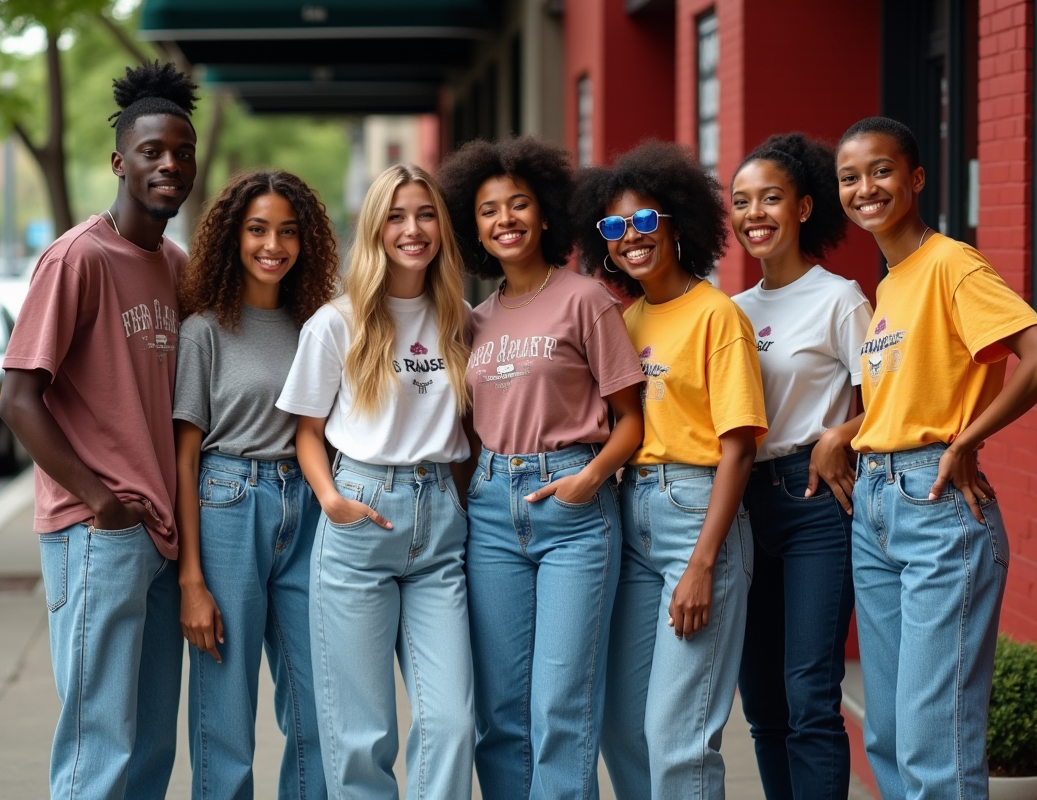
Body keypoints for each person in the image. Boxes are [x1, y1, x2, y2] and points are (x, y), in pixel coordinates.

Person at [833, 116, 1037, 799]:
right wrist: (843, 435)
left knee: (935, 739)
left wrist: (967, 438)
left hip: (935, 510)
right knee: (888, 733)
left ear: (915, 177)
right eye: (850, 177)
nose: (865, 188)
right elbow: (907, 400)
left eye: (880, 171)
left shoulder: (951, 263)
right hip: (876, 508)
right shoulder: (891, 284)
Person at [0, 62, 197, 800]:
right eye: (152, 151)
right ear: (120, 161)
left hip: (160, 536)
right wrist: (101, 500)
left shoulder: (175, 265)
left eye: (182, 151)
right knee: (97, 747)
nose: (169, 164)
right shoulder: (78, 257)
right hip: (98, 532)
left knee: (148, 748)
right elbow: (18, 398)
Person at [437, 137, 644, 800]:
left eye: (518, 204)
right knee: (500, 712)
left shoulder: (588, 300)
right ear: (474, 229)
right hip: (493, 510)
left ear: (546, 213)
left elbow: (631, 421)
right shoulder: (473, 322)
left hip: (575, 510)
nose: (505, 219)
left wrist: (589, 478)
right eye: (489, 210)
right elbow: (465, 433)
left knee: (561, 705)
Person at [571, 139, 766, 800]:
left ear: (677, 224)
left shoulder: (719, 316)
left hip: (695, 515)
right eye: (615, 227)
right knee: (621, 726)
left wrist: (704, 565)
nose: (632, 237)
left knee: (679, 735)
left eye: (646, 221)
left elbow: (739, 448)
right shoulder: (623, 318)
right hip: (632, 520)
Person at [276, 164, 474, 800]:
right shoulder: (336, 323)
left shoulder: (460, 319)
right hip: (360, 513)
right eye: (396, 215)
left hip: (439, 518)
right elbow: (307, 433)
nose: (412, 229)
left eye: (423, 215)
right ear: (375, 228)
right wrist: (331, 500)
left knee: (451, 721)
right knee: (361, 734)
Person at [172, 170, 336, 800]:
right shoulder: (204, 331)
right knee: (225, 715)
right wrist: (192, 581)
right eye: (258, 229)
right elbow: (185, 459)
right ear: (233, 237)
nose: (274, 245)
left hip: (308, 509)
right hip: (228, 507)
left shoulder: (317, 325)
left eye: (288, 231)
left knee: (319, 702)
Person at [729, 132, 872, 800]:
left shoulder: (839, 299)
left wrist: (841, 431)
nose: (755, 213)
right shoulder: (732, 313)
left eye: (771, 199)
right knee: (760, 698)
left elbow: (891, 402)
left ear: (806, 208)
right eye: (742, 201)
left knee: (810, 693)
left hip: (815, 504)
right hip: (743, 506)